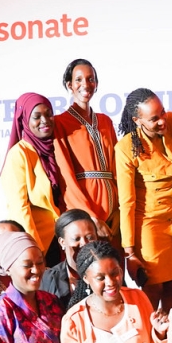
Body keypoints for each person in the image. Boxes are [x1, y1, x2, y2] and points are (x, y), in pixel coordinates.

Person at [116, 88, 172, 310]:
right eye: (154, 118)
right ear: (137, 120)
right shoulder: (126, 148)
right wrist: (129, 252)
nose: (162, 121)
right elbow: (127, 203)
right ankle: (146, 330)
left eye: (163, 112)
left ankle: (170, 330)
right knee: (154, 287)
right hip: (148, 226)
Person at [54, 59, 119, 234]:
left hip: (114, 215)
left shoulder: (105, 121)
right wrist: (90, 218)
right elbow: (66, 177)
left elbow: (117, 168)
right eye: (79, 79)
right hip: (84, 213)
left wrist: (120, 210)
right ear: (69, 85)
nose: (86, 84)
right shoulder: (60, 123)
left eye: (91, 79)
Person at [1, 93, 65, 254]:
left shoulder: (58, 148)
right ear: (25, 120)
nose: (45, 120)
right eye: (37, 117)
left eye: (49, 114)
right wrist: (34, 249)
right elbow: (19, 208)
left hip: (64, 239)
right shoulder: (19, 154)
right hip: (39, 242)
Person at [39, 210, 99, 311]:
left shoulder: (108, 274)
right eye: (76, 239)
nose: (84, 243)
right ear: (62, 242)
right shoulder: (47, 279)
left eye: (90, 237)